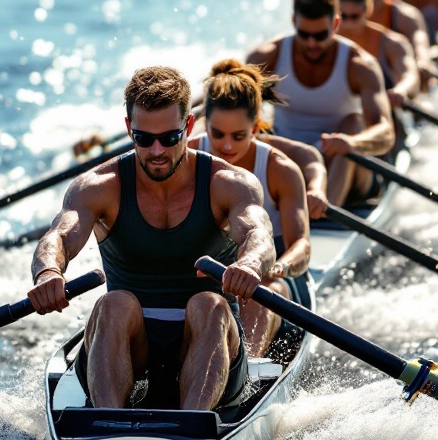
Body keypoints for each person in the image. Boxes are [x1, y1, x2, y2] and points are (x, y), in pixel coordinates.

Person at [28, 65, 276, 411]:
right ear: (129, 129)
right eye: (144, 139)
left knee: (208, 303)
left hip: (207, 340)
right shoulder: (99, 187)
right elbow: (58, 236)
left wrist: (249, 264)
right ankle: (107, 422)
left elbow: (258, 233)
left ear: (188, 127)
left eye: (170, 138)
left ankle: (195, 425)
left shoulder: (227, 183)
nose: (157, 151)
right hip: (132, 344)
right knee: (113, 304)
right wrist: (48, 273)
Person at [189, 59, 312, 357]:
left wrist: (277, 267)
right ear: (205, 124)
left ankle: (246, 375)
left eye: (238, 136)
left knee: (260, 297)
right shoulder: (186, 157)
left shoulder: (281, 170)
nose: (227, 147)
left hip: (273, 283)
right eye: (217, 135)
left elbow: (302, 245)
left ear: (255, 127)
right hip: (206, 278)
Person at [246, 0, 395, 207]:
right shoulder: (267, 57)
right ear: (293, 21)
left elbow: (386, 133)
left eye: (320, 35)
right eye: (304, 34)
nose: (311, 43)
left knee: (354, 122)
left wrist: (352, 143)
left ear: (335, 24)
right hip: (290, 162)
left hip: (346, 168)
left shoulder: (359, 65)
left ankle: (325, 212)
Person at [332, 0, 420, 110]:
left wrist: (401, 90)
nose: (348, 24)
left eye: (354, 17)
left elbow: (410, 74)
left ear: (368, 10)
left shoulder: (392, 42)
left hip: (382, 111)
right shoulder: (318, 43)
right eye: (343, 16)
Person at [353, 0, 431, 83]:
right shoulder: (342, 15)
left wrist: (422, 59)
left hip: (392, 83)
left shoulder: (405, 16)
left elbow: (419, 39)